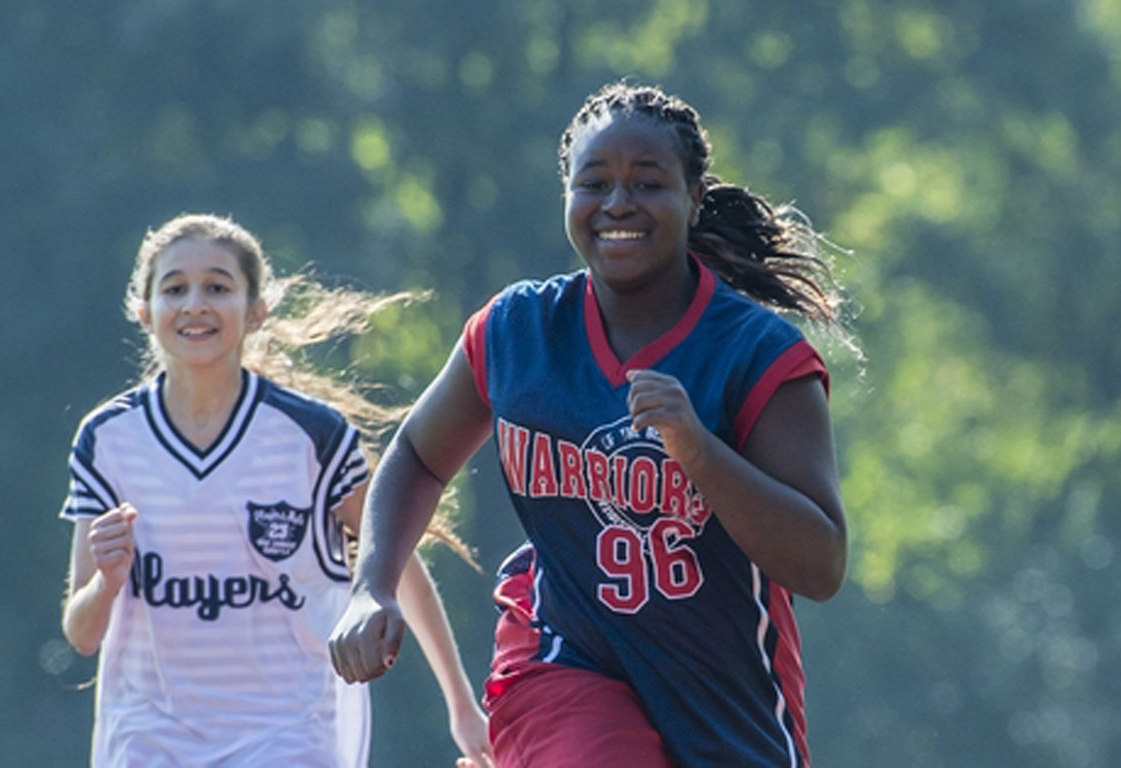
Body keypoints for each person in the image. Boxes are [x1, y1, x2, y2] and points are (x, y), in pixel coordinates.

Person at [329, 82, 852, 768]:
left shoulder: (758, 355)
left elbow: (820, 565)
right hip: (560, 658)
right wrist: (371, 586)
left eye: (648, 182)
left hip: (724, 693)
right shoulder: (517, 330)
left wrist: (700, 452)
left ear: (694, 199)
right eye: (594, 182)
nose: (618, 204)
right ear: (567, 196)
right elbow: (416, 460)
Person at [58, 213, 493, 767]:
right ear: (143, 311)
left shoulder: (312, 435)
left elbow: (399, 561)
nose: (195, 304)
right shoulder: (108, 439)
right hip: (148, 741)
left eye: (217, 287)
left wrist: (460, 705)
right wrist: (108, 582)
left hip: (285, 737)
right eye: (174, 289)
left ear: (256, 310)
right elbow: (81, 633)